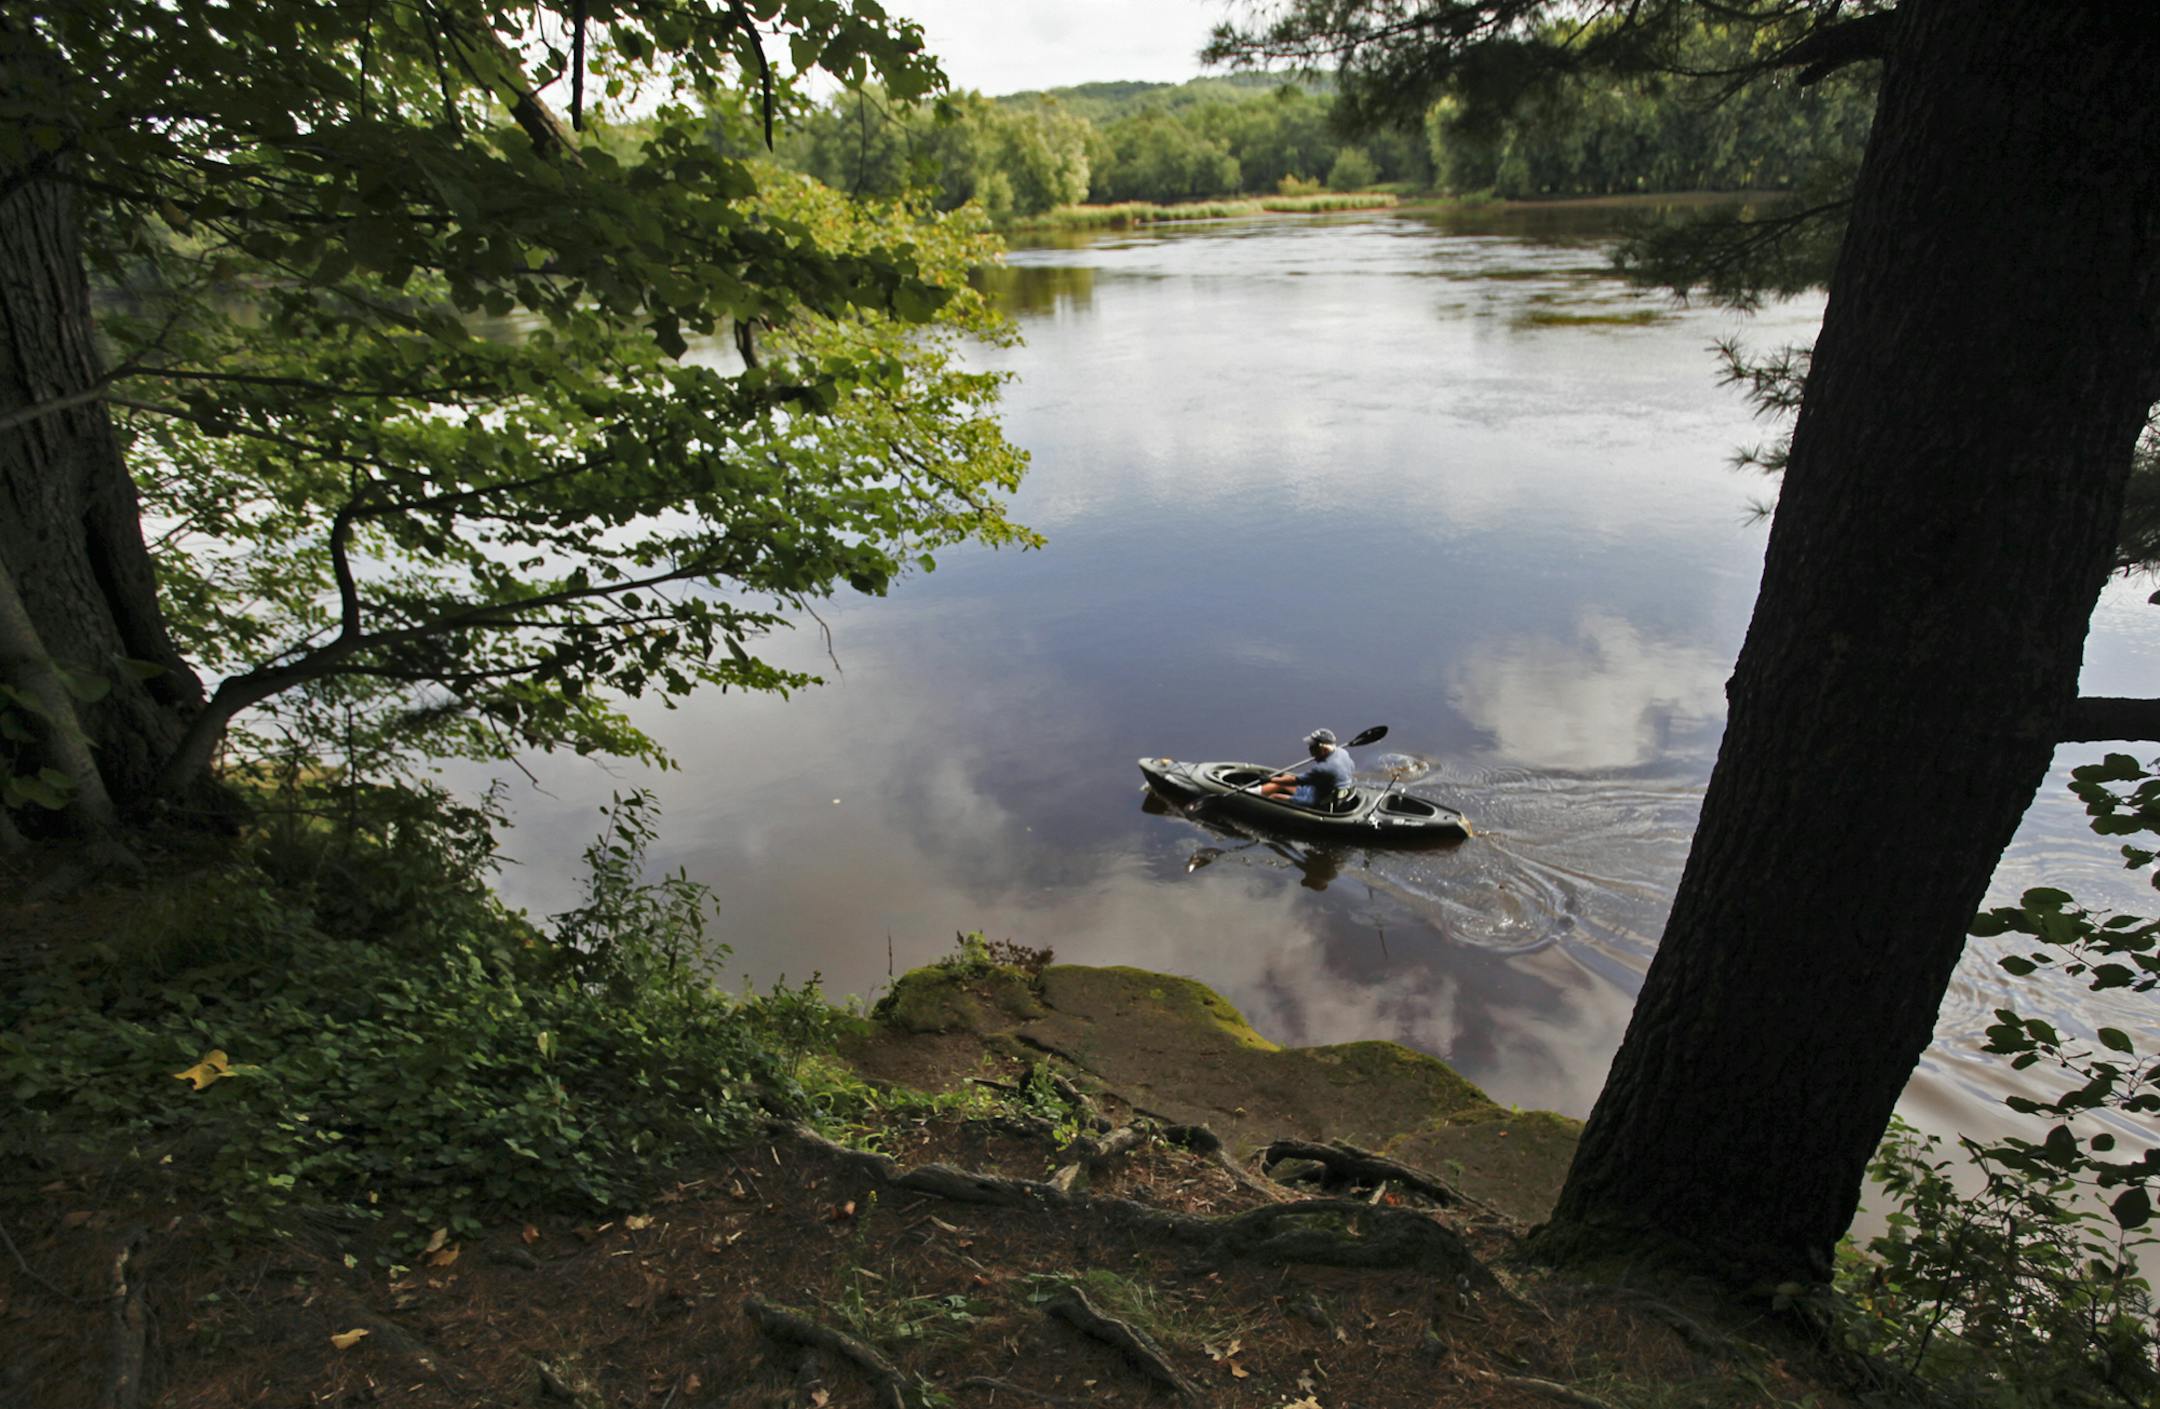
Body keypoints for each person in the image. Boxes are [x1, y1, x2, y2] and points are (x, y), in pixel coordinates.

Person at [1258, 728, 1354, 809]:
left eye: (1313, 747)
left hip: (1317, 800)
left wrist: (1270, 779)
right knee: (1284, 778)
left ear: (1324, 750)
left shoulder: (1323, 768)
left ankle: (1257, 806)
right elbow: (1351, 767)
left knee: (1275, 797)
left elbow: (1295, 781)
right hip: (1329, 791)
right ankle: (1255, 791)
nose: (1309, 749)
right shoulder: (1342, 752)